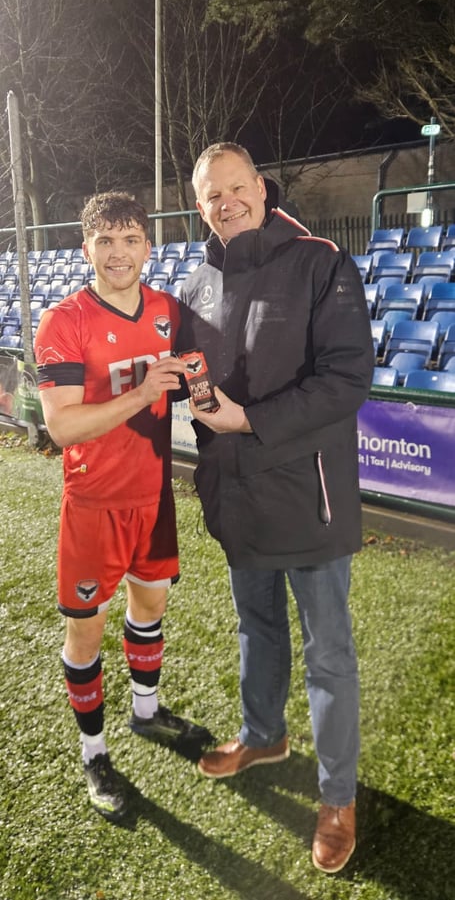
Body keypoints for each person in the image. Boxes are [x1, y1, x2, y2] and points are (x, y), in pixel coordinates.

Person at [177, 143, 375, 874]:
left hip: (307, 497)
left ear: (260, 188)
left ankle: (336, 794)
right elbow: (200, 382)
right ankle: (263, 733)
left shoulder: (320, 260)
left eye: (236, 187)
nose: (225, 202)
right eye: (210, 194)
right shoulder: (197, 280)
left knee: (329, 655)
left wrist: (250, 421)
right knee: (255, 626)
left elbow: (348, 378)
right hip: (237, 494)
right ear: (198, 204)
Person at [34, 191, 210, 820]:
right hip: (94, 504)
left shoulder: (166, 309)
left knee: (150, 607)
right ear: (86, 248)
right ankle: (94, 754)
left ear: (147, 246)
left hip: (153, 495)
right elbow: (63, 428)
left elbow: (198, 367)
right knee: (86, 631)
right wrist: (143, 394)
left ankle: (145, 712)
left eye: (130, 238)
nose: (118, 253)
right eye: (105, 240)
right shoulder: (63, 322)